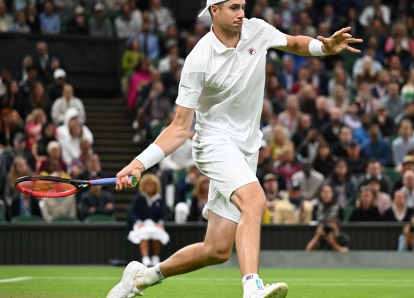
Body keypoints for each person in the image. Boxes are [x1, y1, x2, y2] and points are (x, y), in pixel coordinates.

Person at [108, 1, 362, 297]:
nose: (241, 13)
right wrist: (139, 163)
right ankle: (252, 287)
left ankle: (141, 278)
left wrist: (325, 48)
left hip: (246, 148)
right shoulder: (198, 60)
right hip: (213, 142)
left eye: (242, 6)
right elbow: (179, 127)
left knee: (216, 249)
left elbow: (294, 43)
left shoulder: (256, 30)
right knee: (255, 201)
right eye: (233, 7)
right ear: (214, 11)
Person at [128, 174, 169, 267]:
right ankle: (145, 258)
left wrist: (160, 222)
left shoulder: (160, 199)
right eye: (147, 185)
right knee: (143, 234)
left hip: (154, 224)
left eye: (152, 185)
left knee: (157, 233)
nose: (149, 187)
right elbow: (132, 213)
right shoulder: (139, 198)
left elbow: (164, 215)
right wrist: (139, 222)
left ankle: (155, 257)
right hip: (142, 224)